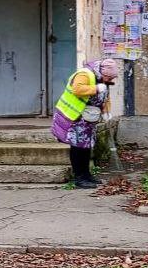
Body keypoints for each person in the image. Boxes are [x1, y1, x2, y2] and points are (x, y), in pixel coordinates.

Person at [51, 58, 119, 189]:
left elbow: (105, 98)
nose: (110, 81)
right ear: (103, 73)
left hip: (87, 120)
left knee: (86, 147)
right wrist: (96, 88)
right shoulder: (85, 74)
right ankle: (79, 178)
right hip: (74, 117)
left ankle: (87, 175)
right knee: (77, 148)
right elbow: (77, 89)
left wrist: (106, 112)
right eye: (109, 78)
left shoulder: (101, 79)